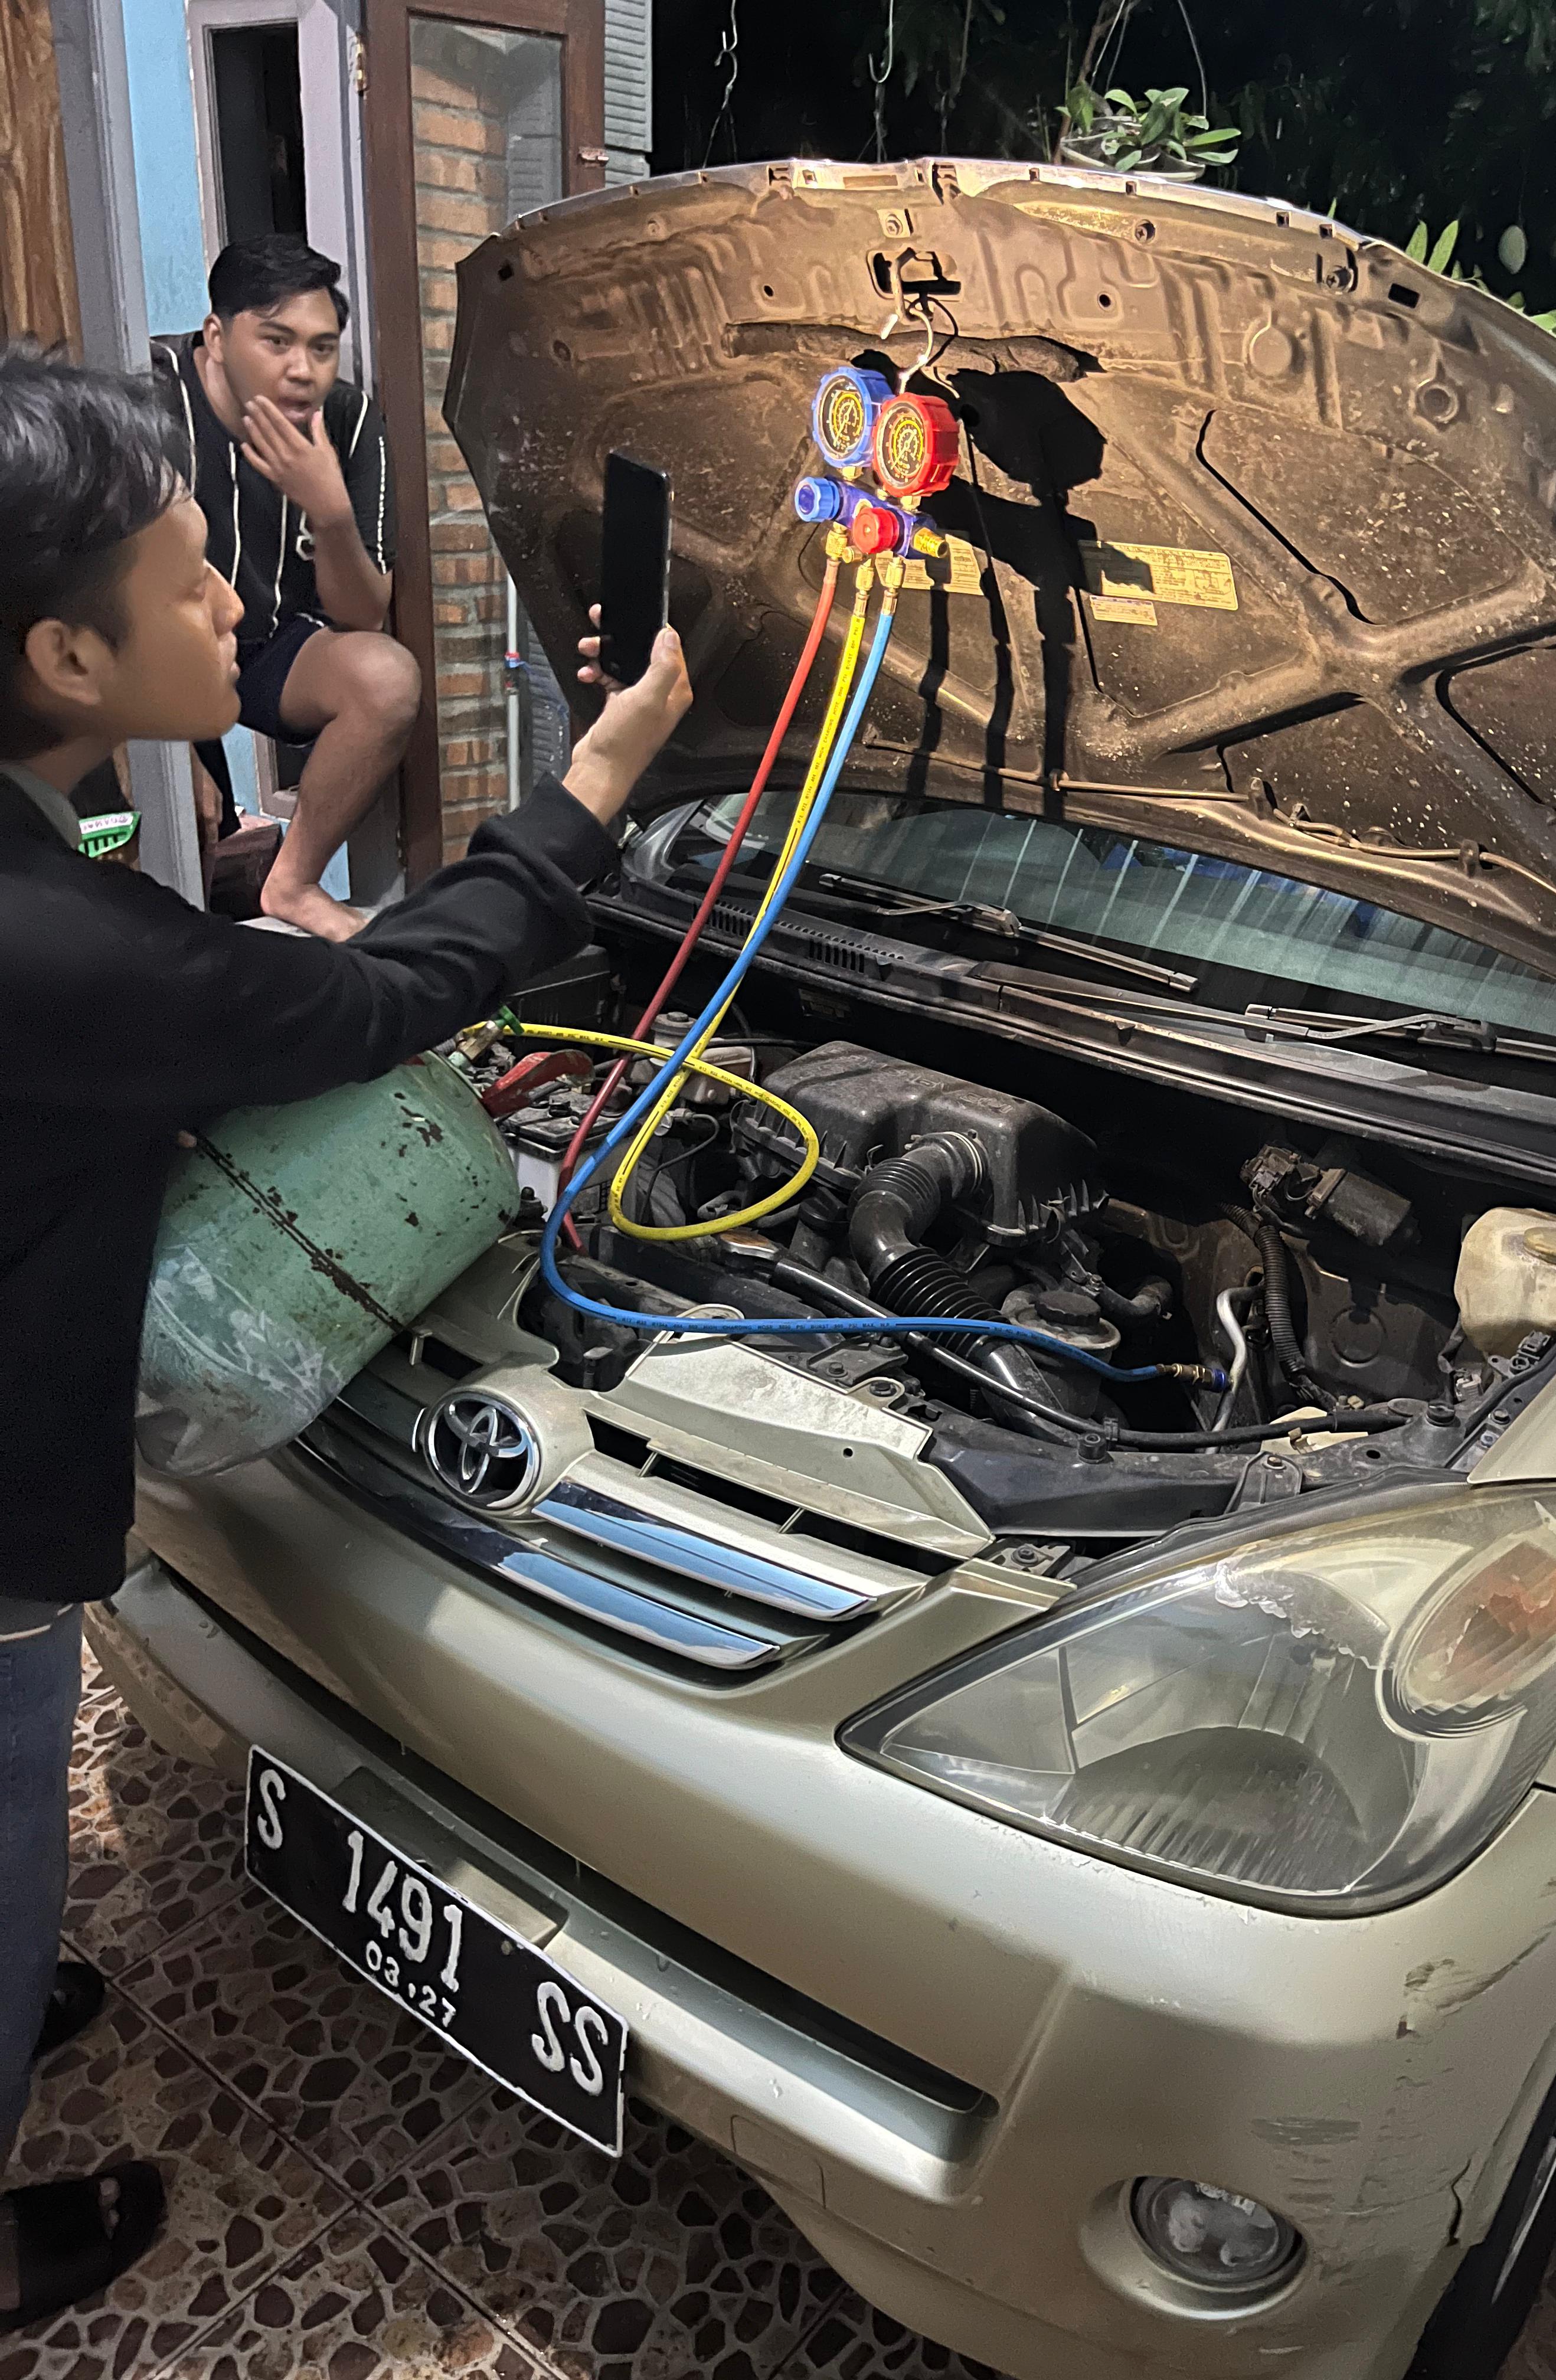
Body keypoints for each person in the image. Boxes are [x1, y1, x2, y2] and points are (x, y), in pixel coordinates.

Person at [0, 346, 689, 2333]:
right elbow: (380, 1005)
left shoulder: (49, 871)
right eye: (196, 575)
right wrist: (591, 787)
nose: (238, 610)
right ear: (61, 655)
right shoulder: (57, 951)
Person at [153, 233, 419, 941]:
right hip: (155, 650)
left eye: (322, 347)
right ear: (216, 334)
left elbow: (363, 614)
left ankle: (293, 883)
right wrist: (179, 751)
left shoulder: (348, 420)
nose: (303, 370)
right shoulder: (148, 399)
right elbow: (110, 599)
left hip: (269, 645)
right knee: (182, 823)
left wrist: (329, 513)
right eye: (276, 341)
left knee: (386, 678)